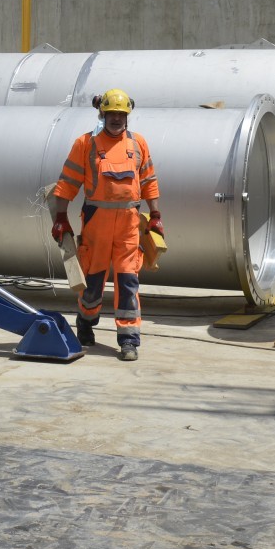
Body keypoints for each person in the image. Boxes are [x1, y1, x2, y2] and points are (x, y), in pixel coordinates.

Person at [48, 88, 161, 362]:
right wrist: (61, 218)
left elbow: (148, 181)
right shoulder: (85, 144)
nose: (116, 119)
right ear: (102, 113)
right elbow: (67, 184)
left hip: (128, 226)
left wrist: (155, 216)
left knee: (128, 281)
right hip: (96, 224)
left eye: (121, 115)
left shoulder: (138, 145)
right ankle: (86, 323)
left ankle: (129, 340)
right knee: (93, 283)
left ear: (128, 116)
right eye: (111, 114)